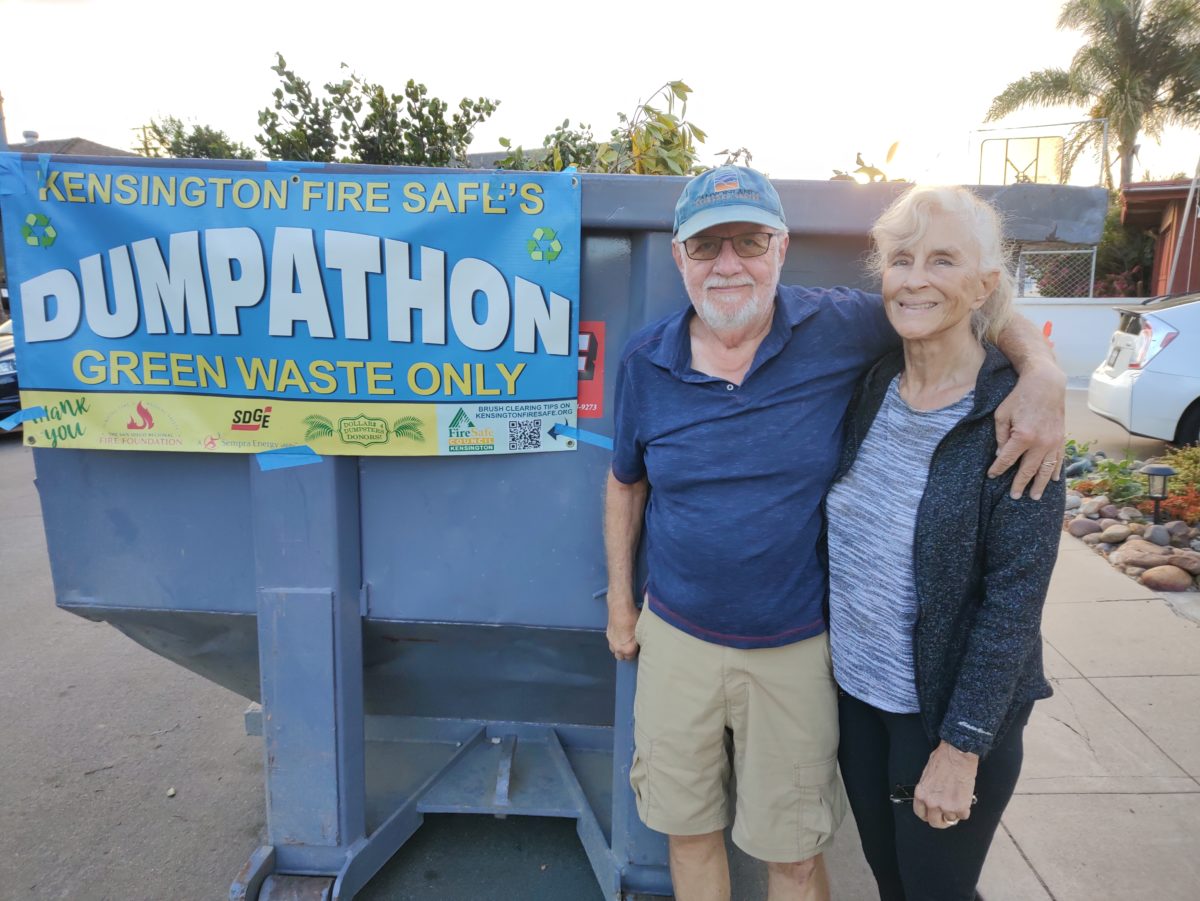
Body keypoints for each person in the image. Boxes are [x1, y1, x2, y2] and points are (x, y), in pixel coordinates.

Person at [604, 165, 1065, 901]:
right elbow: (626, 480)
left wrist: (1041, 370)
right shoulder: (649, 361)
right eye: (706, 246)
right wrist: (622, 607)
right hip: (689, 643)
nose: (728, 263)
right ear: (679, 258)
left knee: (802, 857)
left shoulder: (850, 331)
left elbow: (958, 298)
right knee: (693, 835)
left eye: (749, 240)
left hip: (802, 652)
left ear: (781, 248)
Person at [826, 185, 1064, 901]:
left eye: (943, 260)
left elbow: (1014, 602)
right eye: (901, 259)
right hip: (861, 698)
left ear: (984, 284)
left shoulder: (1015, 418)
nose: (916, 278)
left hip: (946, 716)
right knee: (894, 883)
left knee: (936, 892)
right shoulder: (872, 387)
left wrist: (961, 748)